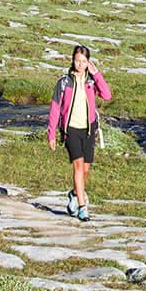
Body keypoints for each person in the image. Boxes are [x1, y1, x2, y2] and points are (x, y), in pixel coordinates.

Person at [47, 45, 111, 222]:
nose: (80, 64)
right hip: (71, 130)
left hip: (88, 129)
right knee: (78, 166)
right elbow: (55, 108)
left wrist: (97, 74)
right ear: (72, 60)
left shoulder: (91, 82)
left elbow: (106, 95)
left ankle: (75, 193)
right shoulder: (64, 82)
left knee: (85, 169)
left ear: (88, 62)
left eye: (84, 61)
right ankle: (82, 207)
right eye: (77, 60)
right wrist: (51, 133)